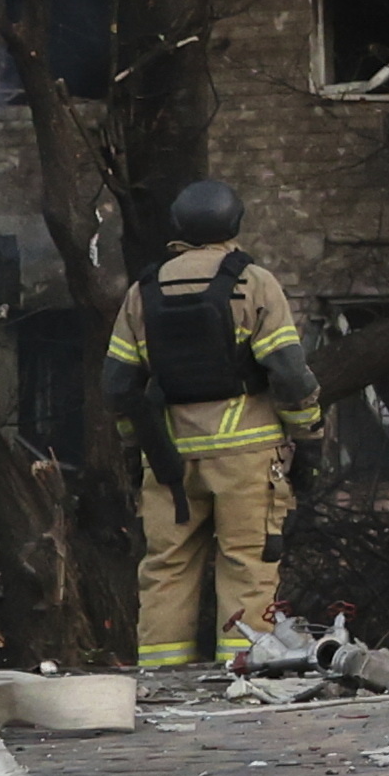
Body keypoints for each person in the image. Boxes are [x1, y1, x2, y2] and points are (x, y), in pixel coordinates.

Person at [107, 177, 320, 679]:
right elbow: (288, 373)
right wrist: (309, 432)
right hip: (248, 455)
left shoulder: (144, 289)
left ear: (178, 227)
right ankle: (243, 675)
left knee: (165, 568)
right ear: (235, 223)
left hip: (169, 458)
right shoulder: (254, 283)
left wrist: (134, 446)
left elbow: (118, 383)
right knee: (247, 563)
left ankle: (162, 680)